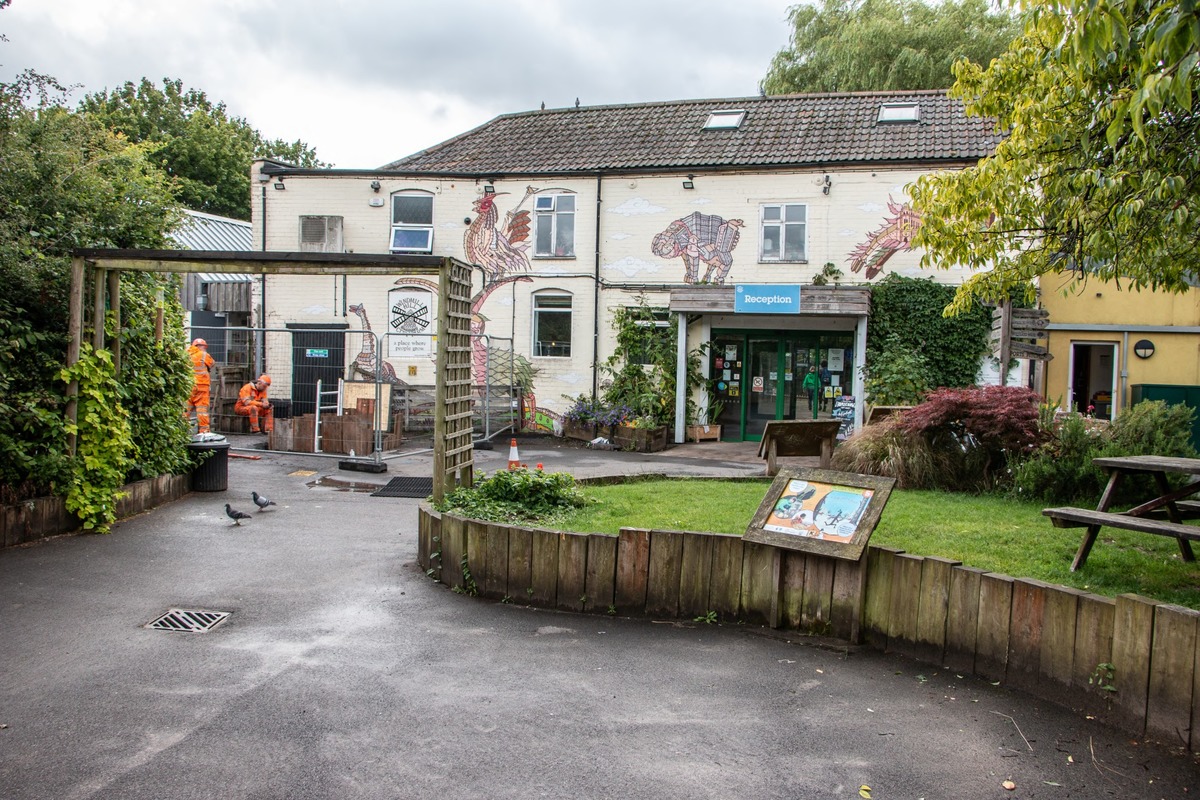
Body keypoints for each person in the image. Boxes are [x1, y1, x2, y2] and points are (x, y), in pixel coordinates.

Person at [185, 338, 215, 433]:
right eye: (204, 346)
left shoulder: (186, 355)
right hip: (202, 385)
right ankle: (204, 431)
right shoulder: (203, 355)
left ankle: (180, 430)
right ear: (198, 346)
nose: (205, 348)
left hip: (188, 385)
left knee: (186, 408)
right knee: (202, 409)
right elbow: (212, 363)